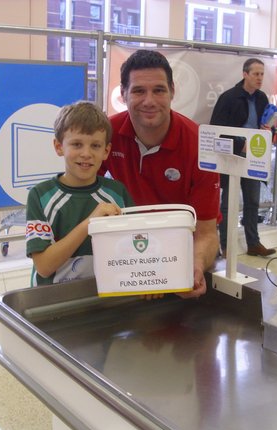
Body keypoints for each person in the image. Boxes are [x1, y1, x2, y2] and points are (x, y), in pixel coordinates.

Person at [103, 49, 221, 299]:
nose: (149, 101)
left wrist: (194, 266)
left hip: (182, 254)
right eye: (138, 91)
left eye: (158, 90)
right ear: (123, 94)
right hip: (129, 254)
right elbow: (78, 189)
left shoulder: (200, 145)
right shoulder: (107, 134)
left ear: (172, 92)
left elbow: (208, 233)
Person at [26, 101, 134, 286]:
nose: (86, 153)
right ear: (59, 147)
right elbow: (44, 266)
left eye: (95, 146)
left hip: (106, 296)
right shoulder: (40, 196)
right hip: (52, 301)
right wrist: (89, 224)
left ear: (106, 151)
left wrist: (148, 280)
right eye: (76, 144)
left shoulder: (118, 192)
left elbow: (134, 248)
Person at [209, 57, 276, 259]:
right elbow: (216, 129)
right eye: (256, 74)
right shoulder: (228, 98)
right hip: (232, 157)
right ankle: (226, 246)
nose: (259, 78)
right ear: (245, 74)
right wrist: (240, 144)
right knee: (228, 204)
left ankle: (253, 243)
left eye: (262, 74)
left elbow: (263, 126)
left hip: (254, 156)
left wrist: (267, 129)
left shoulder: (262, 98)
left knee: (253, 201)